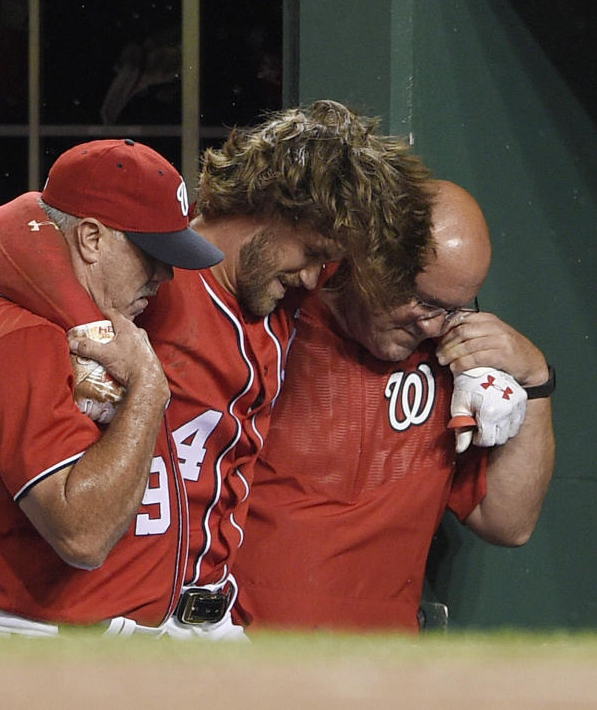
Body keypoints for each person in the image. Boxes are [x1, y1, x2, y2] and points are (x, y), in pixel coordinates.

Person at [131, 100, 436, 637]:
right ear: (271, 204)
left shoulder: (281, 297)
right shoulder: (145, 283)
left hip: (207, 615)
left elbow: (409, 275)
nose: (315, 278)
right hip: (116, 610)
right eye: (314, 251)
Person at [231, 180, 556, 633]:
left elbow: (509, 523)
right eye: (422, 301)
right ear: (369, 262)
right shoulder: (277, 315)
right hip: (242, 651)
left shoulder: (454, 358)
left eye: (454, 308)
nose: (432, 324)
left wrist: (536, 381)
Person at [0, 138, 225, 636]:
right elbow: (83, 535)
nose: (165, 274)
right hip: (29, 642)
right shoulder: (23, 337)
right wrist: (148, 390)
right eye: (149, 252)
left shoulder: (59, 311)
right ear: (91, 238)